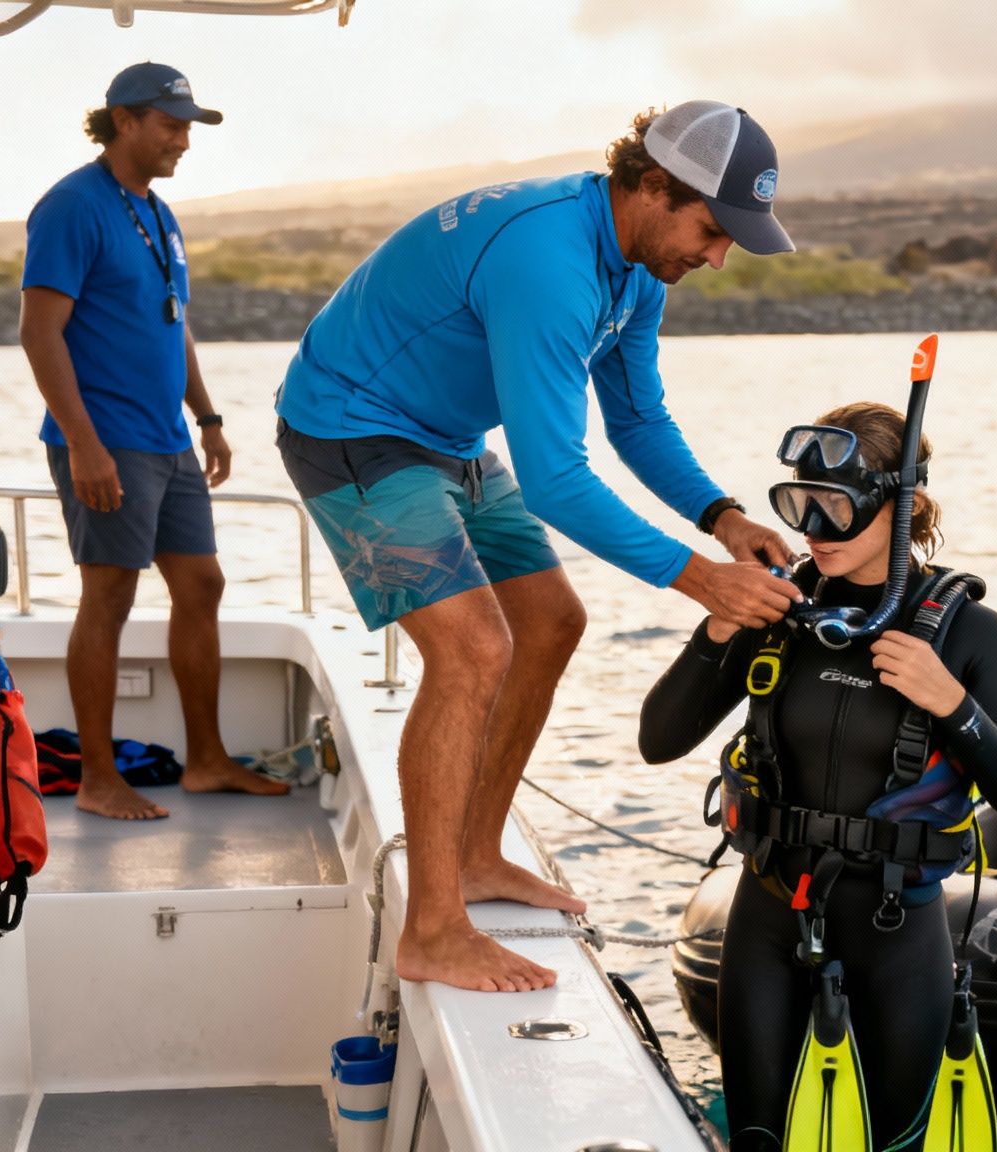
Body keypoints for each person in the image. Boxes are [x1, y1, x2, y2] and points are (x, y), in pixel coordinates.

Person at [273, 102, 803, 993]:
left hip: (444, 437)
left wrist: (722, 517)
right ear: (651, 185)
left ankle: (478, 854)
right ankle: (433, 929)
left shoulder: (638, 270)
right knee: (473, 649)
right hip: (350, 429)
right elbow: (557, 481)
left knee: (552, 621)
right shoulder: (548, 261)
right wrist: (701, 582)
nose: (716, 258)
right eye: (712, 230)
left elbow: (635, 418)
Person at [640, 402, 997, 1151]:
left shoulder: (967, 633)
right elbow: (657, 740)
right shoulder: (779, 610)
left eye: (836, 507)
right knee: (759, 1142)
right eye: (799, 504)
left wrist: (953, 704)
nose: (813, 531)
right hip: (768, 920)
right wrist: (720, 622)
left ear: (906, 509)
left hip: (898, 937)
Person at [19, 62, 288, 821]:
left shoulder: (158, 213)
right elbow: (39, 334)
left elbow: (176, 325)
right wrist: (84, 445)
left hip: (167, 438)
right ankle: (100, 779)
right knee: (108, 596)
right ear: (124, 119)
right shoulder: (73, 207)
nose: (184, 141)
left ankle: (206, 760)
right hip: (108, 439)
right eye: (172, 125)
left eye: (189, 127)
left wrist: (207, 418)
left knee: (202, 585)